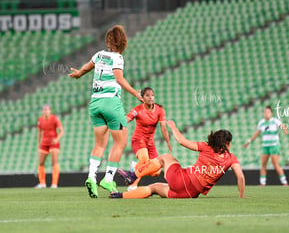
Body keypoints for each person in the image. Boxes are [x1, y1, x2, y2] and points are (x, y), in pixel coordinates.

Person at [68, 25, 143, 198]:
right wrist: (135, 94)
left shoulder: (99, 55)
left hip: (95, 103)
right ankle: (108, 179)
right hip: (111, 102)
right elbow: (119, 78)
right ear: (123, 41)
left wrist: (78, 74)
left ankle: (91, 178)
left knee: (100, 144)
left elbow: (87, 68)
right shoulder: (117, 58)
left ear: (108, 40)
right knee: (120, 142)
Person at [112, 120, 245, 199]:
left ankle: (133, 176)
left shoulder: (206, 147)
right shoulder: (232, 159)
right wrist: (241, 196)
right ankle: (120, 195)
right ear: (227, 143)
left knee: (166, 157)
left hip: (182, 180)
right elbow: (240, 177)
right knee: (154, 188)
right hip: (190, 194)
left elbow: (182, 141)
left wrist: (173, 127)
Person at [126, 87, 172, 190]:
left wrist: (168, 142)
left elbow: (163, 127)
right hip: (138, 140)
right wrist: (119, 123)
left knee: (156, 171)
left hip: (150, 143)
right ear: (142, 98)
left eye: (152, 95)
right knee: (144, 159)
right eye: (147, 95)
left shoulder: (160, 110)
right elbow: (127, 118)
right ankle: (133, 185)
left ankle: (135, 168)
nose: (150, 97)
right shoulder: (137, 110)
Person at [243, 105, 289, 186]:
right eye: (265, 112)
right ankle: (262, 183)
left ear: (271, 113)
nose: (266, 113)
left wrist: (285, 129)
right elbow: (257, 133)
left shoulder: (275, 121)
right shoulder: (261, 122)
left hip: (274, 145)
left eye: (268, 112)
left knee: (275, 164)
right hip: (265, 146)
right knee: (263, 164)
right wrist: (249, 141)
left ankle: (284, 182)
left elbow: (282, 126)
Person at [35, 105, 64, 188]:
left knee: (54, 162)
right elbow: (39, 132)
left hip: (53, 143)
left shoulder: (55, 119)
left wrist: (57, 139)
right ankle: (42, 183)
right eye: (44, 110)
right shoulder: (40, 120)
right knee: (41, 163)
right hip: (44, 143)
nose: (46, 111)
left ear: (50, 111)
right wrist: (38, 143)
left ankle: (54, 184)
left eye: (47, 109)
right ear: (42, 111)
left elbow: (62, 131)